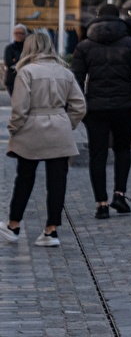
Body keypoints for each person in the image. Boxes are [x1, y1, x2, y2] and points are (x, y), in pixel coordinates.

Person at [4, 32, 86, 247]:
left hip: (31, 129)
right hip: (59, 128)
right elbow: (79, 105)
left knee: (24, 178)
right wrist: (67, 124)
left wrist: (14, 129)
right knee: (57, 181)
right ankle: (51, 231)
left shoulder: (26, 72)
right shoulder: (65, 72)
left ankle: (13, 225)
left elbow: (19, 108)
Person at [71, 3, 131, 220]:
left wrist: (82, 104)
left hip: (95, 107)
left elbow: (76, 78)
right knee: (122, 150)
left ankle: (101, 204)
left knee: (98, 154)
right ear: (118, 19)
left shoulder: (84, 46)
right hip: (125, 106)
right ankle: (119, 195)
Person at [5, 24, 27, 95]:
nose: (19, 35)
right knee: (15, 102)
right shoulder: (10, 48)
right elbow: (9, 63)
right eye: (17, 33)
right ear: (13, 34)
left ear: (25, 34)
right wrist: (20, 59)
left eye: (21, 33)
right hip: (12, 80)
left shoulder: (28, 47)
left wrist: (15, 60)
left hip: (26, 79)